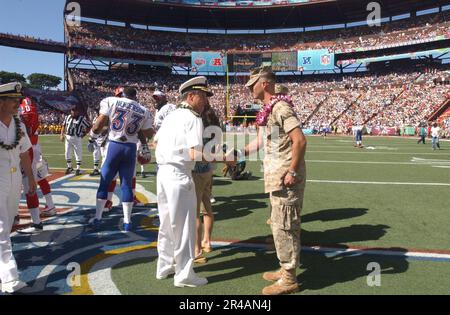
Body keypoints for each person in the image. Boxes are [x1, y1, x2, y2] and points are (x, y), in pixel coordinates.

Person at [155, 76, 234, 287]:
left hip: (163, 172)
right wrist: (224, 157)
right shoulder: (193, 118)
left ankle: (164, 266)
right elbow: (194, 153)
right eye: (203, 97)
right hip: (179, 174)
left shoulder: (171, 115)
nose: (206, 102)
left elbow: (156, 141)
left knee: (166, 224)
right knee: (184, 227)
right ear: (191, 96)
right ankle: (184, 275)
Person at [239, 67, 307, 295]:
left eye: (252, 84)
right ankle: (285, 269)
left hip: (286, 179)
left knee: (285, 227)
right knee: (280, 226)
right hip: (276, 177)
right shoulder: (269, 110)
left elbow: (300, 141)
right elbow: (260, 142)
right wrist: (238, 154)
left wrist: (293, 172)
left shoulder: (281, 107)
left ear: (265, 84)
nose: (249, 88)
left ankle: (289, 279)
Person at [88, 87, 154, 231]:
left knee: (104, 181)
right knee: (127, 185)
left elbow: (100, 122)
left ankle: (98, 218)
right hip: (130, 148)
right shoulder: (143, 110)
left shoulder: (111, 101)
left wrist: (92, 138)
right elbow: (148, 132)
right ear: (135, 97)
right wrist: (144, 143)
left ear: (122, 94)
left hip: (114, 146)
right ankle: (127, 222)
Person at [0, 82, 37, 293]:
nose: (18, 103)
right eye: (13, 100)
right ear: (1, 101)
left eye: (18, 99)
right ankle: (10, 278)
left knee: (8, 224)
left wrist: (30, 178)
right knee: (2, 228)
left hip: (15, 181)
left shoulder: (19, 125)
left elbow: (24, 153)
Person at [16, 97, 57, 235]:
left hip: (27, 148)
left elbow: (28, 113)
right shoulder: (28, 109)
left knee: (26, 182)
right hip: (33, 146)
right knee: (39, 177)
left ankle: (34, 221)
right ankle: (50, 206)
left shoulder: (23, 108)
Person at [61, 107, 91, 175]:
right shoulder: (67, 117)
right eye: (72, 111)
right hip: (68, 137)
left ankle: (78, 168)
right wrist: (61, 134)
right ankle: (69, 167)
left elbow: (88, 126)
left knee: (78, 153)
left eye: (75, 111)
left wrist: (84, 134)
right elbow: (63, 125)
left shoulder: (81, 119)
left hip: (77, 137)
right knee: (67, 152)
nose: (73, 112)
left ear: (78, 112)